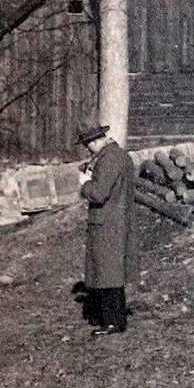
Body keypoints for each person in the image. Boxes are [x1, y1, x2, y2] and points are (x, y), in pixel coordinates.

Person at [76, 124, 138, 337]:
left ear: (94, 142)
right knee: (112, 272)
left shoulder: (109, 159)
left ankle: (112, 322)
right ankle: (114, 319)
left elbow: (99, 193)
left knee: (107, 273)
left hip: (107, 223)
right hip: (117, 219)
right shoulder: (119, 155)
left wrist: (85, 184)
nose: (88, 149)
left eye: (87, 145)